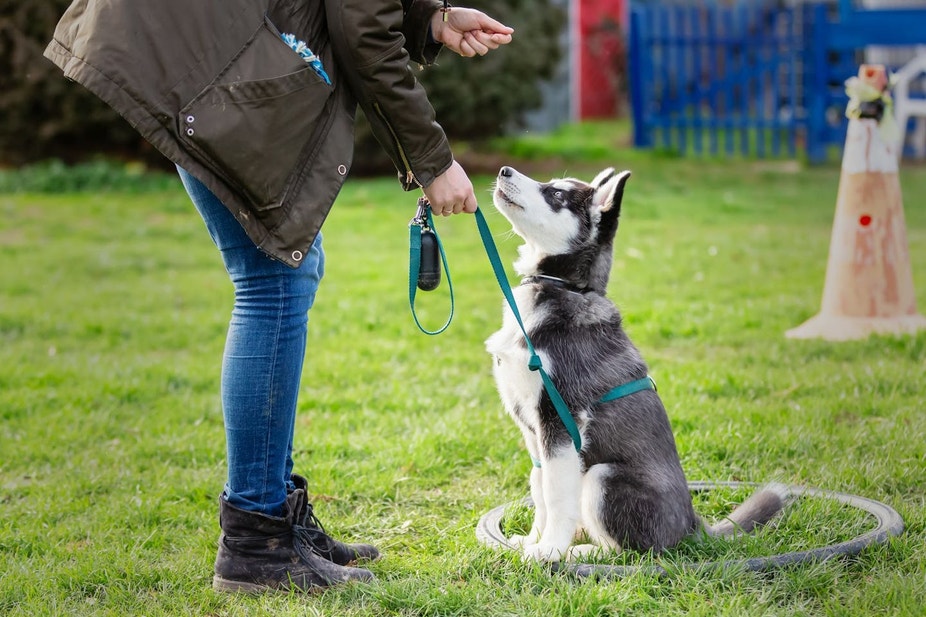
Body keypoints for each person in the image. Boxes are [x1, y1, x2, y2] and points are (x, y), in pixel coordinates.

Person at [44, 0, 513, 594]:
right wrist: (432, 159)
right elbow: (362, 28)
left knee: (287, 269)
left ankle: (274, 518)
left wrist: (428, 20)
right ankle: (255, 541)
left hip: (192, 37)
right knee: (272, 281)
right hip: (191, 45)